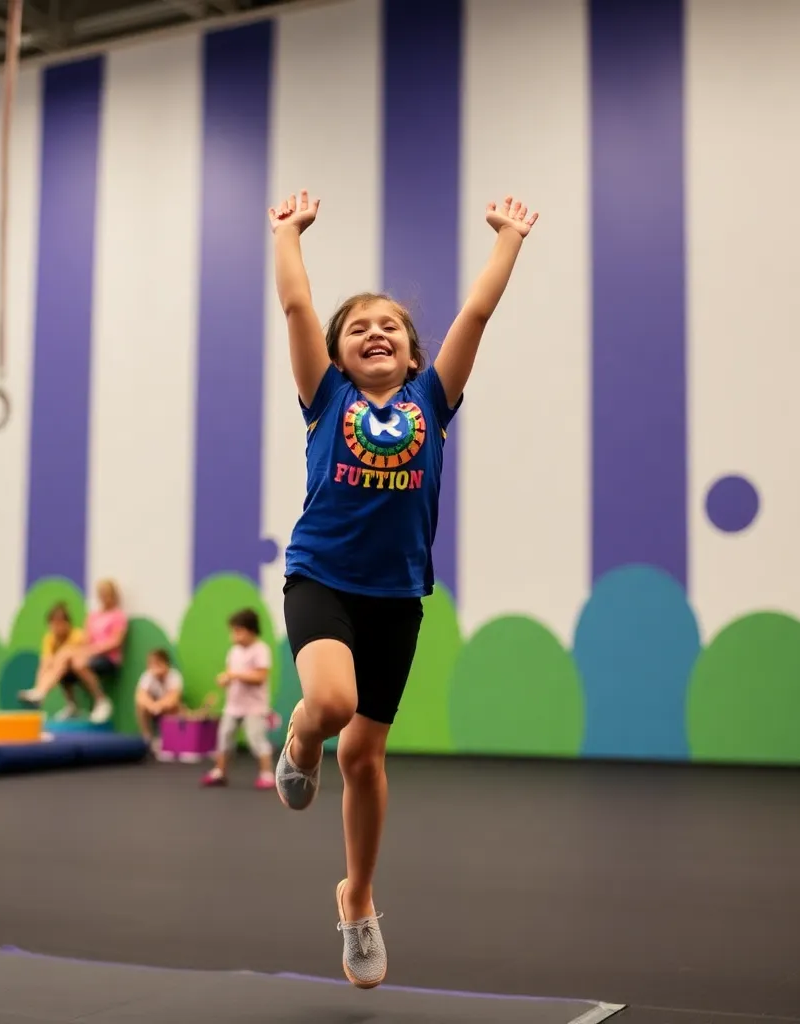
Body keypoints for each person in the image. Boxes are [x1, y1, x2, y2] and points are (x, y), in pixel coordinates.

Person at [268, 188, 538, 988]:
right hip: (322, 577)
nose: (376, 333)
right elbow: (296, 306)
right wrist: (287, 235)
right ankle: (299, 737)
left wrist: (508, 239)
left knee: (365, 757)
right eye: (358, 328)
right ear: (336, 355)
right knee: (332, 706)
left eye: (390, 326)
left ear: (415, 356)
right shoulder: (327, 400)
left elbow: (476, 315)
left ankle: (357, 897)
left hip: (396, 598)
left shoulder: (432, 401)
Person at [19, 578, 126, 724]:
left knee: (69, 655)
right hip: (90, 654)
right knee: (71, 662)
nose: (104, 597)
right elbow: (87, 640)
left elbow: (116, 642)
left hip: (108, 658)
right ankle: (63, 702)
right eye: (101, 594)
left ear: (113, 595)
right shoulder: (93, 616)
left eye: (107, 594)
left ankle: (101, 700)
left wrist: (91, 650)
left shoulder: (118, 616)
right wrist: (83, 651)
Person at [201, 609, 276, 790]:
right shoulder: (233, 652)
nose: (234, 636)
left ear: (251, 631)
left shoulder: (261, 650)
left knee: (256, 739)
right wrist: (226, 679)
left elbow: (260, 677)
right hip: (233, 705)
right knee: (224, 737)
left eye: (238, 631)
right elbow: (230, 673)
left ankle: (266, 774)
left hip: (254, 707)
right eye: (233, 631)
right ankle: (219, 772)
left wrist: (235, 675)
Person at [36, 603, 87, 722]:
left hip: (83, 668)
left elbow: (77, 658)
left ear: (67, 623)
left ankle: (100, 700)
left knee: (62, 661)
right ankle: (69, 705)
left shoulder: (77, 636)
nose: (56, 627)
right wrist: (38, 687)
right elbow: (45, 662)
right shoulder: (49, 638)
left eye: (59, 623)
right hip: (65, 672)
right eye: (53, 624)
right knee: (51, 666)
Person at [134, 648, 183, 754]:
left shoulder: (174, 676)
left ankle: (170, 741)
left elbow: (173, 699)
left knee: (175, 707)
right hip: (152, 710)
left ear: (165, 663)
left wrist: (159, 705)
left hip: (168, 710)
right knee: (140, 707)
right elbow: (140, 696)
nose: (154, 667)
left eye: (157, 663)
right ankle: (147, 738)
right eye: (151, 663)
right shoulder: (147, 676)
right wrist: (151, 705)